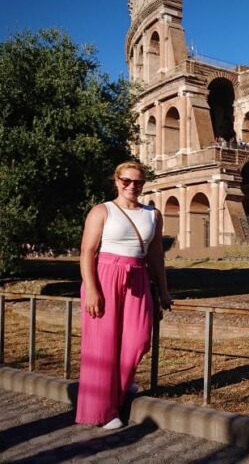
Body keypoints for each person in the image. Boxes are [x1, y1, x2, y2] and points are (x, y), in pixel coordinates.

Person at [76, 162, 172, 430]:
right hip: (105, 276)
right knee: (103, 345)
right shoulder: (102, 211)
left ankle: (123, 377)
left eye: (138, 182)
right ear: (116, 181)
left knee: (139, 339)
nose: (132, 186)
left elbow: (156, 256)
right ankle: (104, 410)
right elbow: (87, 252)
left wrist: (163, 291)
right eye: (126, 181)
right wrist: (92, 289)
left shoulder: (153, 214)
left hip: (138, 276)